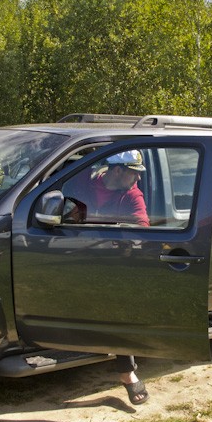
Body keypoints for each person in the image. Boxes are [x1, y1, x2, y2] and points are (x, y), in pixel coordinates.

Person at [64, 149, 150, 404]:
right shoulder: (83, 181)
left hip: (109, 260)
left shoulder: (133, 195)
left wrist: (110, 231)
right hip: (72, 253)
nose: (138, 180)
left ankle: (127, 374)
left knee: (119, 303)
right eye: (134, 174)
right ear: (117, 170)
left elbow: (142, 229)